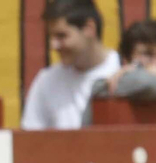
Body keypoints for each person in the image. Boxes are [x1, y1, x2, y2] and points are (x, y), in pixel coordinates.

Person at [20, 0, 121, 130]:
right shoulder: (46, 81)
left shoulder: (123, 70)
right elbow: (30, 142)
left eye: (61, 36)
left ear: (89, 28)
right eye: (51, 37)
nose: (53, 46)